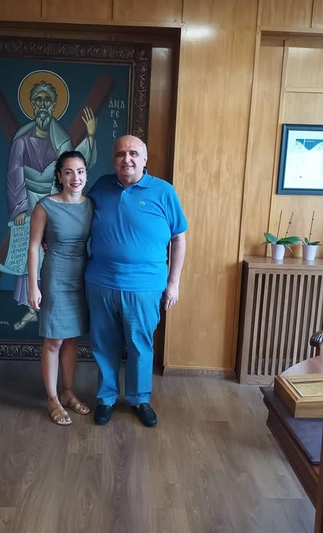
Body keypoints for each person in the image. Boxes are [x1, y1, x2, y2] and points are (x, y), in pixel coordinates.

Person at [85, 134, 188, 428]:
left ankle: (139, 399)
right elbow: (77, 221)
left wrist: (173, 284)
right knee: (103, 343)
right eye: (120, 154)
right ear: (113, 159)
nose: (126, 159)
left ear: (145, 159)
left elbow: (179, 238)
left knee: (140, 345)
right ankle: (106, 398)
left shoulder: (164, 191)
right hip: (101, 282)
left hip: (145, 286)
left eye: (133, 154)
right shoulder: (100, 187)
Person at [4, 80, 97, 330]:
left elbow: (77, 162)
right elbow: (14, 174)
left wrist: (90, 137)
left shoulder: (61, 138)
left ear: (54, 105)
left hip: (56, 202)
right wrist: (21, 206)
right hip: (31, 200)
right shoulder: (22, 140)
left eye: (47, 100)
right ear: (32, 105)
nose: (43, 105)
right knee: (31, 255)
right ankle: (30, 304)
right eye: (38, 100)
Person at [28, 151, 93, 426]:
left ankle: (68, 392)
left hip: (83, 276)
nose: (75, 177)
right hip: (55, 275)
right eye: (68, 172)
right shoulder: (45, 206)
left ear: (86, 174)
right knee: (54, 340)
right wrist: (33, 285)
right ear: (59, 176)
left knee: (73, 339)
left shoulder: (91, 205)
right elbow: (34, 247)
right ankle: (52, 398)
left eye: (80, 171)